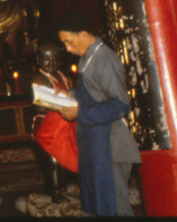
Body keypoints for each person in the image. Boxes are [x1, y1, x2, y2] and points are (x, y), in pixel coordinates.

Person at [55, 12, 141, 216]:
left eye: (69, 42)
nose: (67, 48)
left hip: (109, 146)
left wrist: (80, 111)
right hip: (94, 146)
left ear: (83, 34)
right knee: (94, 207)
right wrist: (71, 93)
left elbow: (119, 105)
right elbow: (95, 94)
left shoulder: (104, 59)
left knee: (113, 208)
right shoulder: (87, 57)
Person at [29, 41, 78, 198]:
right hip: (47, 126)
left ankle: (63, 190)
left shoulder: (63, 76)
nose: (51, 63)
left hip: (65, 123)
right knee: (53, 161)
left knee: (65, 158)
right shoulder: (38, 78)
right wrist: (58, 103)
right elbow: (38, 105)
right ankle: (56, 192)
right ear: (38, 60)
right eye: (47, 59)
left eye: (55, 59)